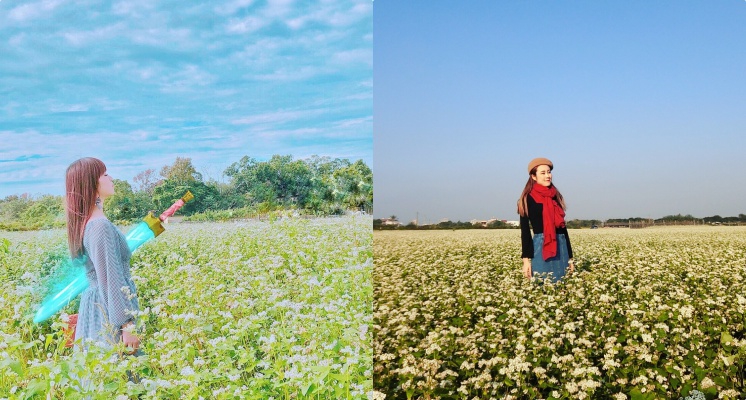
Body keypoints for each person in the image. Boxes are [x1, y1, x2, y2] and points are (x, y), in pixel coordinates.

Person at [65, 157, 140, 354]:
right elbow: (110, 278)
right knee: (119, 376)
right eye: (105, 174)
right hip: (110, 309)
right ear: (92, 183)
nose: (111, 178)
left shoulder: (92, 221)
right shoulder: (99, 226)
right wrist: (127, 324)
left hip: (102, 304)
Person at [517, 157, 574, 282]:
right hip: (540, 247)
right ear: (533, 176)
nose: (548, 175)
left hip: (561, 246)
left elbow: (563, 229)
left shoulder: (555, 197)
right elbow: (525, 232)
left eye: (549, 172)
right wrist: (526, 261)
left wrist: (570, 258)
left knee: (563, 287)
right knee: (542, 286)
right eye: (543, 173)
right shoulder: (527, 199)